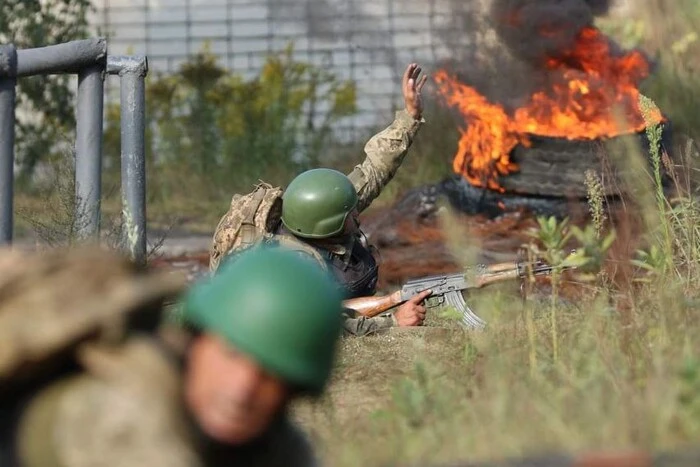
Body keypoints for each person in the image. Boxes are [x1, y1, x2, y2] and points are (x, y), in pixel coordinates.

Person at [0, 245, 342, 467]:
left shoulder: (270, 442)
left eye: (270, 374)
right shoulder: (129, 414)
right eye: (232, 353)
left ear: (293, 391)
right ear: (197, 337)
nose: (242, 389)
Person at [270, 63, 432, 336]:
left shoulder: (327, 208)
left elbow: (376, 168)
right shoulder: (296, 265)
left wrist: (410, 116)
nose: (357, 215)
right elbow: (322, 327)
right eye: (350, 216)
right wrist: (393, 323)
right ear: (327, 226)